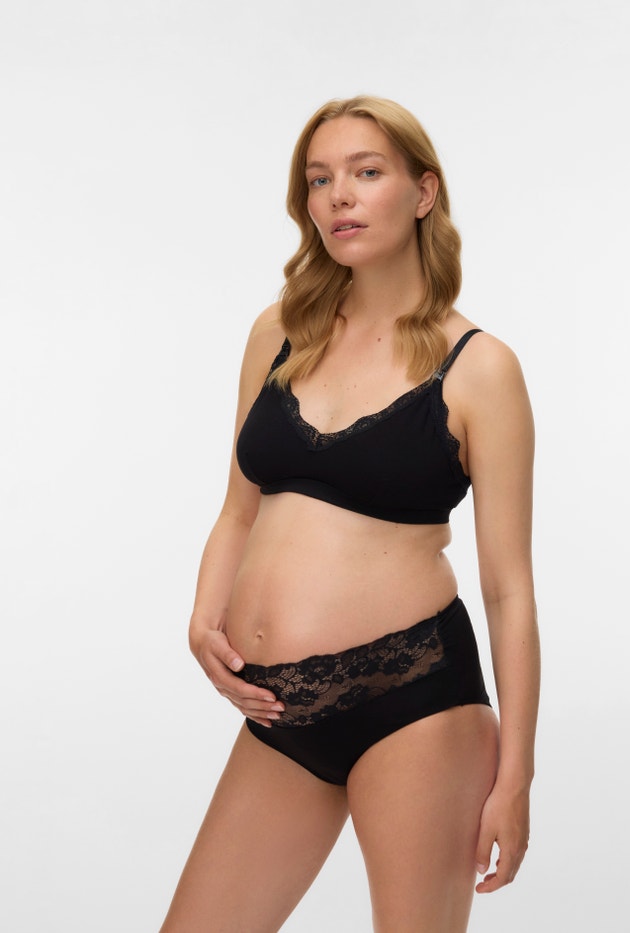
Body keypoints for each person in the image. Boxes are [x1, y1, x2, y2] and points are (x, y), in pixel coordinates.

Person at [160, 95, 540, 933]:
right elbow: (238, 509)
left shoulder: (480, 369)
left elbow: (509, 590)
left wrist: (516, 776)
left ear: (424, 192)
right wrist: (203, 618)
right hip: (279, 710)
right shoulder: (279, 332)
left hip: (417, 703)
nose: (339, 195)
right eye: (319, 178)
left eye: (366, 172)